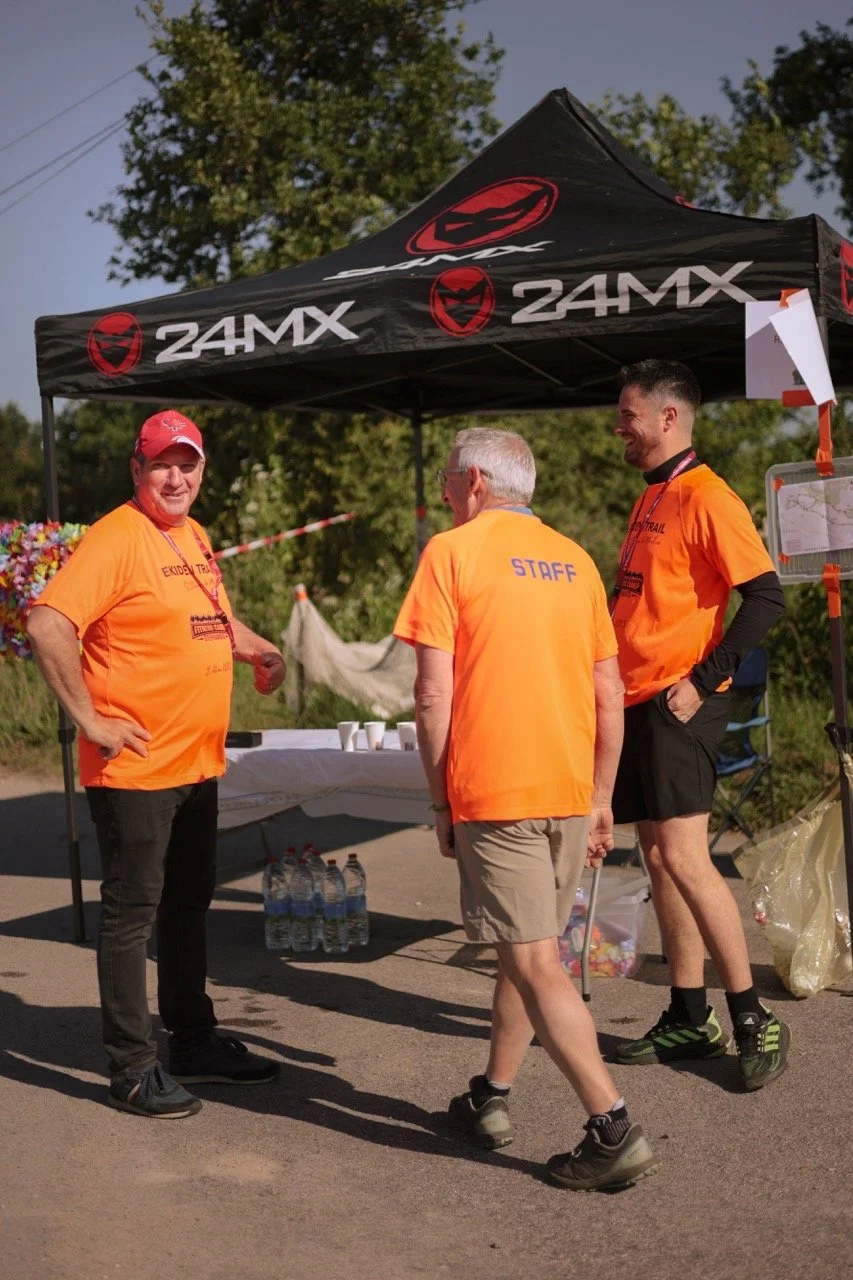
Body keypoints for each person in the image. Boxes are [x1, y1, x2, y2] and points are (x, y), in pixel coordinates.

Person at [393, 427, 658, 1192]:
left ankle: (612, 1128)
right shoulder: (574, 560)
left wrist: (440, 798)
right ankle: (491, 1094)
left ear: (474, 482)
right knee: (528, 946)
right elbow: (608, 692)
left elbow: (431, 694)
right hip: (567, 789)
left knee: (534, 960)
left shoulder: (451, 552)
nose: (445, 492)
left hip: (496, 791)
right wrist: (601, 796)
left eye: (448, 480)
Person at [28, 409, 287, 1118]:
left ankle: (193, 1040)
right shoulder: (118, 537)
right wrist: (90, 719)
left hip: (194, 763)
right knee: (131, 914)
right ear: (136, 471)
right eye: (161, 465)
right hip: (137, 769)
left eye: (187, 464)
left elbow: (209, 619)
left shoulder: (191, 535)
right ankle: (131, 1067)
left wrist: (259, 650)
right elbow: (48, 624)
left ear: (202, 471)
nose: (176, 478)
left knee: (187, 904)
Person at [609, 359, 789, 1089]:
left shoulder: (708, 495)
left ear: (667, 417)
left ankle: (752, 1014)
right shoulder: (653, 493)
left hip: (680, 699)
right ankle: (688, 1013)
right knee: (657, 858)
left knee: (685, 858)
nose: (617, 428)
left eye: (627, 415)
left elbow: (766, 598)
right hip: (636, 700)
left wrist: (704, 678)